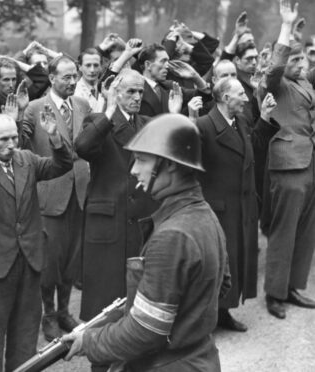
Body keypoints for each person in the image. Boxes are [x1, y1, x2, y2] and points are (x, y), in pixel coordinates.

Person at [63, 114, 231, 372]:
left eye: (141, 159)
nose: (133, 169)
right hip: (199, 358)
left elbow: (145, 330)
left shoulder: (172, 234)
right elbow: (221, 285)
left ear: (170, 166)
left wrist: (90, 340)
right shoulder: (204, 215)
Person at [0, 113, 73, 372]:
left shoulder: (26, 160)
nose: (11, 143)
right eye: (4, 139)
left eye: (14, 137)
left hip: (29, 257)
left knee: (27, 327)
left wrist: (54, 135)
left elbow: (62, 166)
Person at [74, 70, 158, 338]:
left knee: (136, 305)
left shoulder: (146, 122)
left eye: (140, 92)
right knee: (105, 306)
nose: (136, 97)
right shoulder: (99, 121)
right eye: (130, 91)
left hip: (140, 223)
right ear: (115, 92)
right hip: (109, 224)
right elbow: (83, 147)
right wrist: (109, 111)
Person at [195, 77, 279, 332]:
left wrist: (264, 117)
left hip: (241, 206)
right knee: (216, 266)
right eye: (241, 94)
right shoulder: (203, 126)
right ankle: (204, 323)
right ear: (224, 98)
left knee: (235, 262)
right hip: (218, 209)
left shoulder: (240, 121)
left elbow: (251, 150)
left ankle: (223, 312)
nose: (246, 98)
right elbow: (192, 171)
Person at [20, 55, 91, 342]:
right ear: (51, 78)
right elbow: (22, 145)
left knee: (72, 257)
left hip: (80, 192)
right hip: (50, 194)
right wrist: (17, 116)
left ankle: (64, 311)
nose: (72, 81)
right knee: (50, 259)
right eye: (66, 77)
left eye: (75, 76)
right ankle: (48, 315)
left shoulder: (84, 106)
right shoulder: (35, 108)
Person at [263, 0, 315, 319]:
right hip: (287, 165)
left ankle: (293, 286)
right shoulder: (276, 83)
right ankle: (274, 293)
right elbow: (275, 66)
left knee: (306, 229)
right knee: (284, 230)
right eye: (294, 58)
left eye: (302, 57)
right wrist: (285, 28)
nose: (300, 63)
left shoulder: (305, 82)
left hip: (309, 163)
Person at [74, 48, 106, 113]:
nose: (92, 70)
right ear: (80, 67)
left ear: (101, 67)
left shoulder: (107, 89)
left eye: (96, 65)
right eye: (88, 65)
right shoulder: (74, 92)